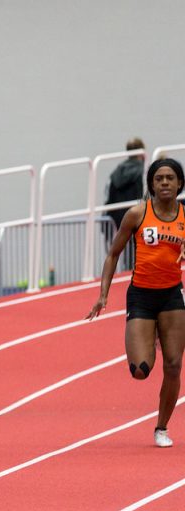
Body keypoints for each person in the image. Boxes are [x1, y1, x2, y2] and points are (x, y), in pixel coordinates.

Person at [87, 158, 185, 448]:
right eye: (159, 178)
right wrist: (103, 295)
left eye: (170, 178)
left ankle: (161, 428)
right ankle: (148, 333)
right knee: (141, 370)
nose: (165, 182)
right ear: (152, 184)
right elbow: (113, 254)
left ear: (179, 183)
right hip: (141, 295)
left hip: (171, 295)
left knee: (174, 364)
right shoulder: (137, 214)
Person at [104, 137, 146, 266]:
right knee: (138, 248)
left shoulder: (117, 171)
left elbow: (108, 195)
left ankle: (128, 268)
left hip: (116, 215)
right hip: (135, 213)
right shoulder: (142, 171)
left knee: (122, 248)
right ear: (141, 152)